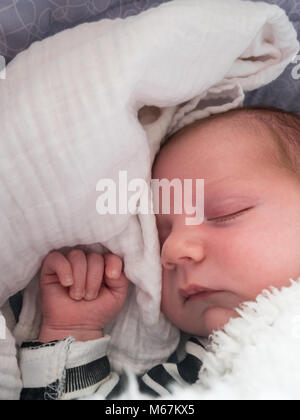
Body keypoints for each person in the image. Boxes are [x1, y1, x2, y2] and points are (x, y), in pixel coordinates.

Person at [18, 106, 300, 400]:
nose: (173, 251)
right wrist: (72, 331)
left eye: (224, 213)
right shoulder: (198, 375)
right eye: (160, 238)